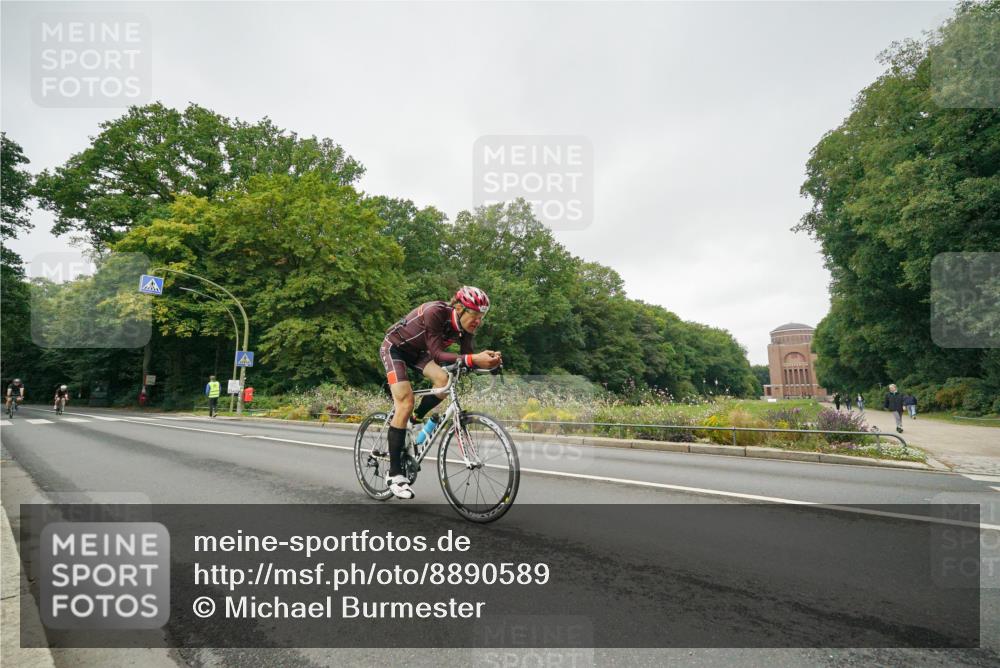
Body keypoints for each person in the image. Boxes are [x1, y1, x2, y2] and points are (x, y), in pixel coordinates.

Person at [379, 286, 502, 499]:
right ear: (459, 308)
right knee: (405, 402)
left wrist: (489, 363)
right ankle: (395, 475)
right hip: (395, 348)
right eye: (475, 314)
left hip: (417, 353)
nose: (478, 321)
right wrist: (473, 359)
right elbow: (436, 353)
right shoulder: (435, 312)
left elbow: (466, 358)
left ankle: (416, 418)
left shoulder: (466, 328)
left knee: (444, 380)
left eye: (482, 316)